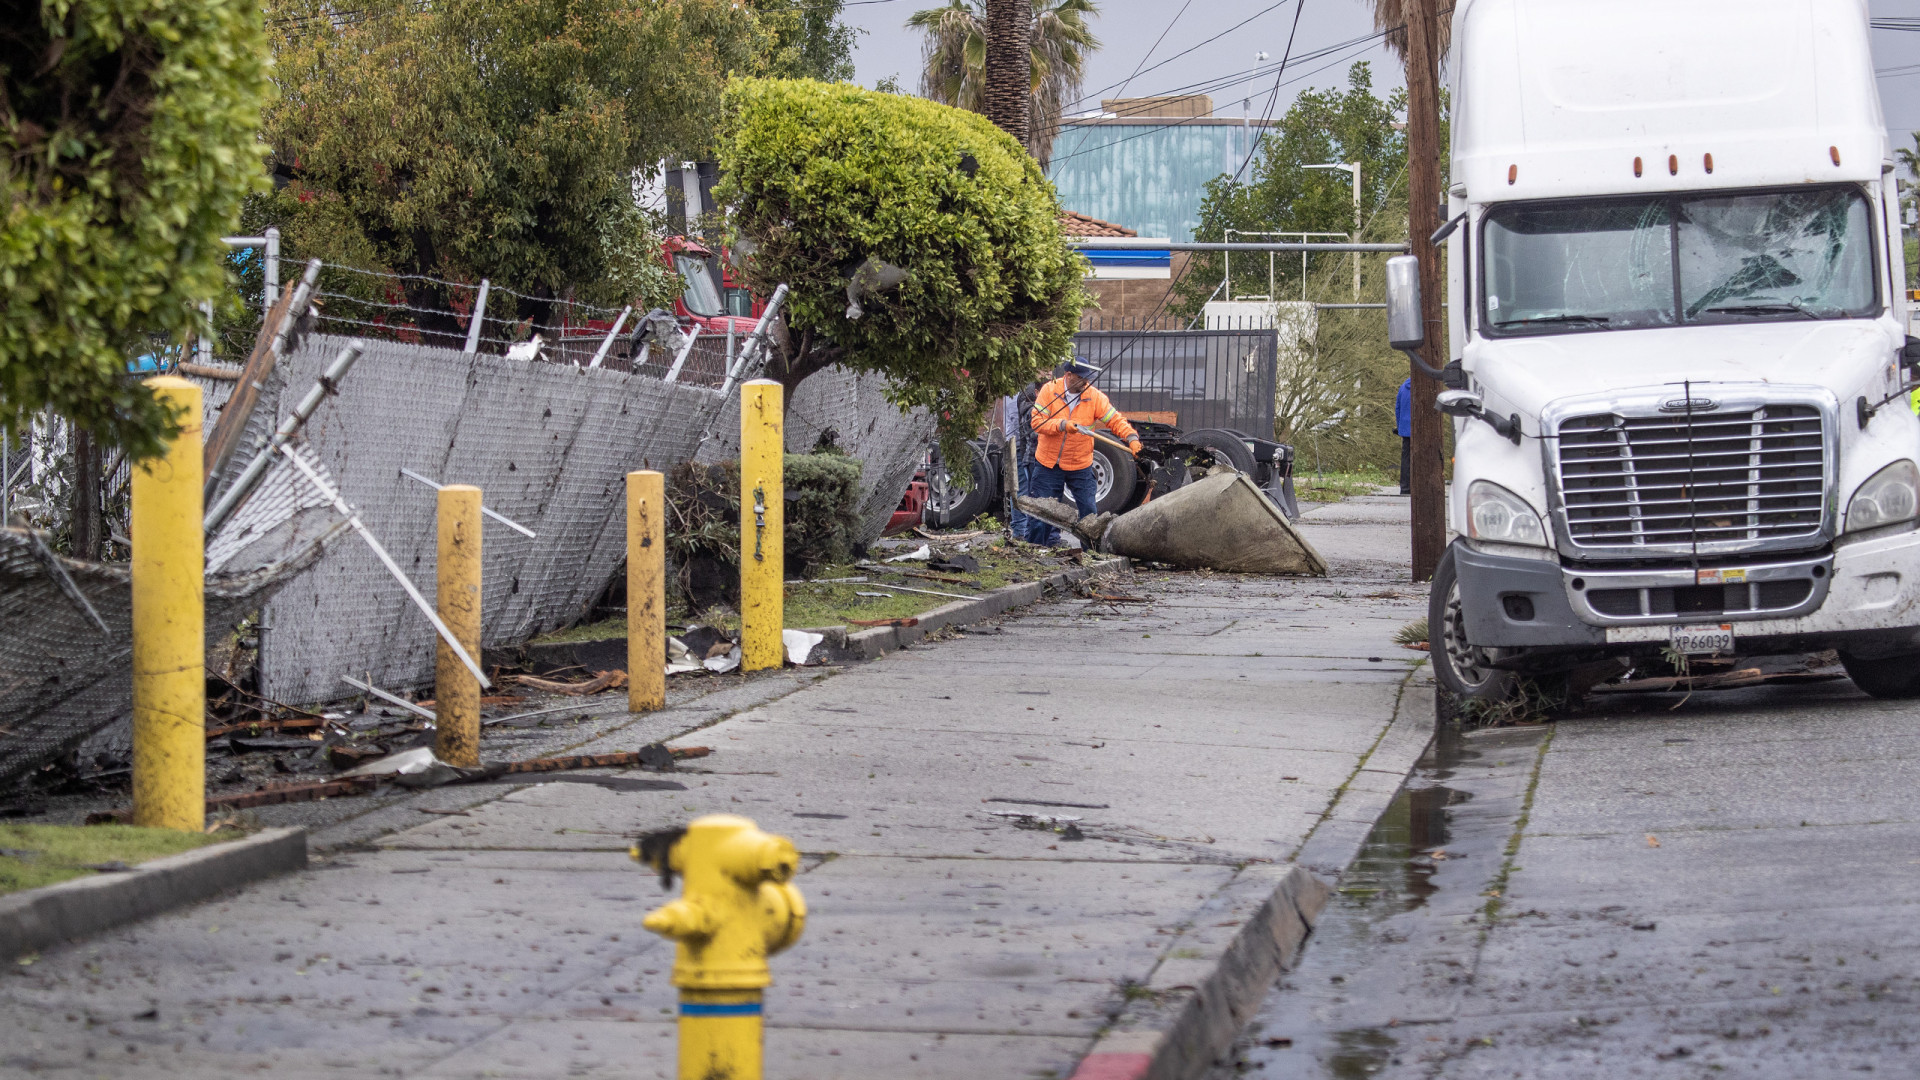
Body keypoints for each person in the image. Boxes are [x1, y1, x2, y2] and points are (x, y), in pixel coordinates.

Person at [1028, 358, 1142, 544]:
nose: (1086, 382)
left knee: (1089, 515)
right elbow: (1037, 422)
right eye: (1082, 378)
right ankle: (1034, 551)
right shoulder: (1049, 391)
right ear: (1069, 375)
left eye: (1087, 378)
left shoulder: (1094, 396)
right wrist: (1062, 425)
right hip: (1049, 464)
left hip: (1080, 465)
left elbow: (1115, 420)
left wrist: (1131, 438)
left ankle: (1090, 554)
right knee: (1041, 516)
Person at [1395, 376, 1413, 495]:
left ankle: (1405, 488)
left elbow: (1397, 408)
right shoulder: (1424, 388)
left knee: (1406, 459)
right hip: (1421, 429)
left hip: (1406, 429)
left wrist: (1400, 426)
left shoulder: (1403, 387)